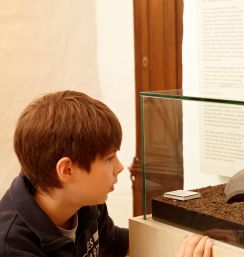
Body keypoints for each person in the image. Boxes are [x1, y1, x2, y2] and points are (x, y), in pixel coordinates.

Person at [0, 90, 212, 257]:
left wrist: (192, 239)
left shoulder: (85, 203)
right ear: (67, 170)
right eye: (109, 158)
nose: (119, 167)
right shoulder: (12, 246)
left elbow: (115, 244)